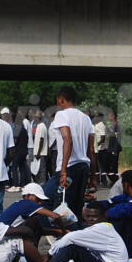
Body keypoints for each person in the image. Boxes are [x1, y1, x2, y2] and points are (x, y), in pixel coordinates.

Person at [8, 201, 129, 262]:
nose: (90, 220)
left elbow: (69, 238)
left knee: (73, 248)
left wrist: (49, 255)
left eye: (94, 217)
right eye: (88, 217)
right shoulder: (96, 230)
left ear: (104, 216)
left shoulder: (103, 228)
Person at [43, 86, 96, 218]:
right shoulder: (86, 118)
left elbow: (67, 139)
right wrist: (93, 177)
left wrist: (63, 171)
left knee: (59, 205)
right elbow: (91, 150)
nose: (57, 105)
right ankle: (75, 233)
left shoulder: (62, 115)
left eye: (57, 101)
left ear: (61, 100)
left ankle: (61, 235)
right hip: (83, 167)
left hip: (69, 168)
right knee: (76, 206)